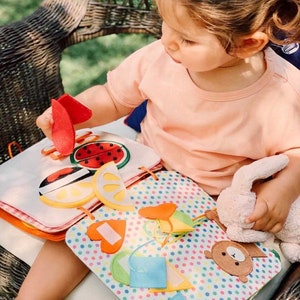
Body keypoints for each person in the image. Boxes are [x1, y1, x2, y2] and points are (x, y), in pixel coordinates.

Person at [17, 0, 300, 299]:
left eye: (187, 38)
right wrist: (74, 114)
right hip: (142, 175)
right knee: (75, 236)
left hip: (212, 207)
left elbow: (295, 151)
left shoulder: (282, 94)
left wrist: (282, 190)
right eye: (166, 23)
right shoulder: (159, 59)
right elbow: (113, 97)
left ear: (247, 44)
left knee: (183, 282)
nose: (167, 41)